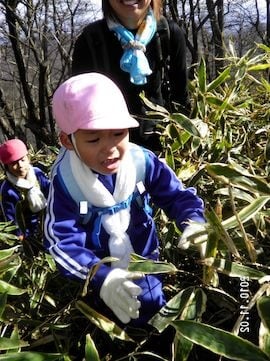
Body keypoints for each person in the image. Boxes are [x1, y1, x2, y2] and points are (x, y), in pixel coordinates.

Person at [44, 72, 205, 358]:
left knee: (156, 321)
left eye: (119, 134)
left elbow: (178, 195)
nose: (110, 149)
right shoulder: (66, 181)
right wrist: (99, 276)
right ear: (67, 141)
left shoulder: (141, 162)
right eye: (93, 140)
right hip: (96, 279)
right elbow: (61, 240)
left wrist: (194, 221)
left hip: (146, 265)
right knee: (110, 335)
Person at [71, 0, 190, 152]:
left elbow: (181, 100)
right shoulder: (90, 40)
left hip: (163, 150)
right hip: (109, 154)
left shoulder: (169, 33)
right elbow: (78, 109)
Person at [0, 139, 50, 245]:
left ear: (28, 158)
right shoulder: (8, 190)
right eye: (14, 163)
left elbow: (51, 194)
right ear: (7, 167)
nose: (20, 165)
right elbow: (11, 219)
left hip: (49, 222)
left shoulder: (38, 174)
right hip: (29, 234)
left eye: (22, 160)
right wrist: (21, 238)